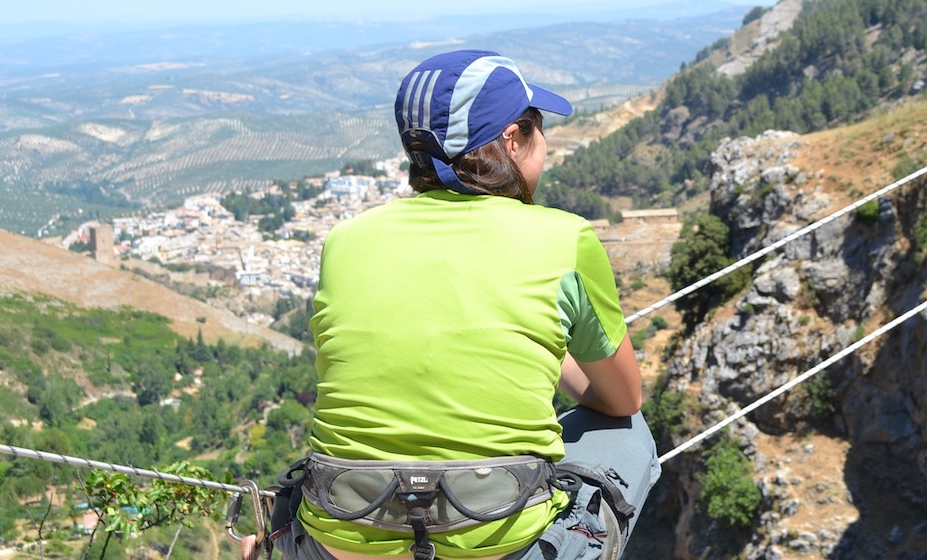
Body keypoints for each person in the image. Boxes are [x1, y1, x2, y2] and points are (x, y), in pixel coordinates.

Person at [264, 49, 660, 560]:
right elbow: (621, 400)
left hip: (336, 536)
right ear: (513, 140)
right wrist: (547, 349)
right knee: (627, 432)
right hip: (500, 538)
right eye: (539, 131)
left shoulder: (347, 239)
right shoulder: (565, 238)